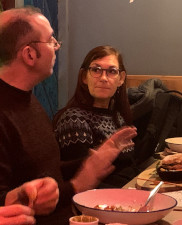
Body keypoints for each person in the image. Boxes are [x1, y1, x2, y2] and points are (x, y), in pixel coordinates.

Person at [0, 6, 137, 225]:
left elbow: (44, 170)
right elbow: (9, 203)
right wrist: (80, 182)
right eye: (51, 41)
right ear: (30, 54)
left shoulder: (29, 101)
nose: (57, 47)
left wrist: (90, 163)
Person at [53, 46, 139, 188]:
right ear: (84, 77)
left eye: (112, 71)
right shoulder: (74, 119)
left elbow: (129, 166)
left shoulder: (118, 116)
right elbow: (81, 183)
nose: (104, 78)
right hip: (101, 203)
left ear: (121, 79)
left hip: (130, 192)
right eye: (96, 70)